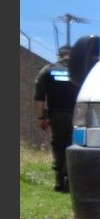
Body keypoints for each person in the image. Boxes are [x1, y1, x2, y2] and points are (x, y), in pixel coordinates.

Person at [34, 45, 80, 192]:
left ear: (59, 55)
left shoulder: (47, 70)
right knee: (73, 145)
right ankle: (70, 180)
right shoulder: (80, 70)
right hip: (77, 115)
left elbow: (39, 97)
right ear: (71, 55)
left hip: (57, 115)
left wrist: (41, 117)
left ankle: (59, 180)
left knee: (58, 145)